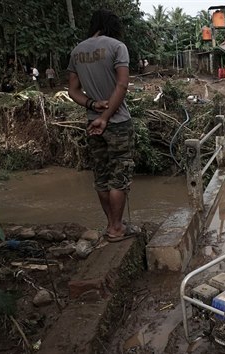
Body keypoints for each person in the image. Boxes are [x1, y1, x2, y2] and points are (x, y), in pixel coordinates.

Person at [67, 9, 136, 242]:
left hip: (91, 123)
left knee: (101, 175)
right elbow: (122, 85)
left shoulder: (77, 51)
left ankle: (111, 224)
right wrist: (106, 116)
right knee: (120, 175)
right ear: (112, 26)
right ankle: (117, 229)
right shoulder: (117, 47)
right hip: (116, 122)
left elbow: (73, 90)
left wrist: (92, 104)